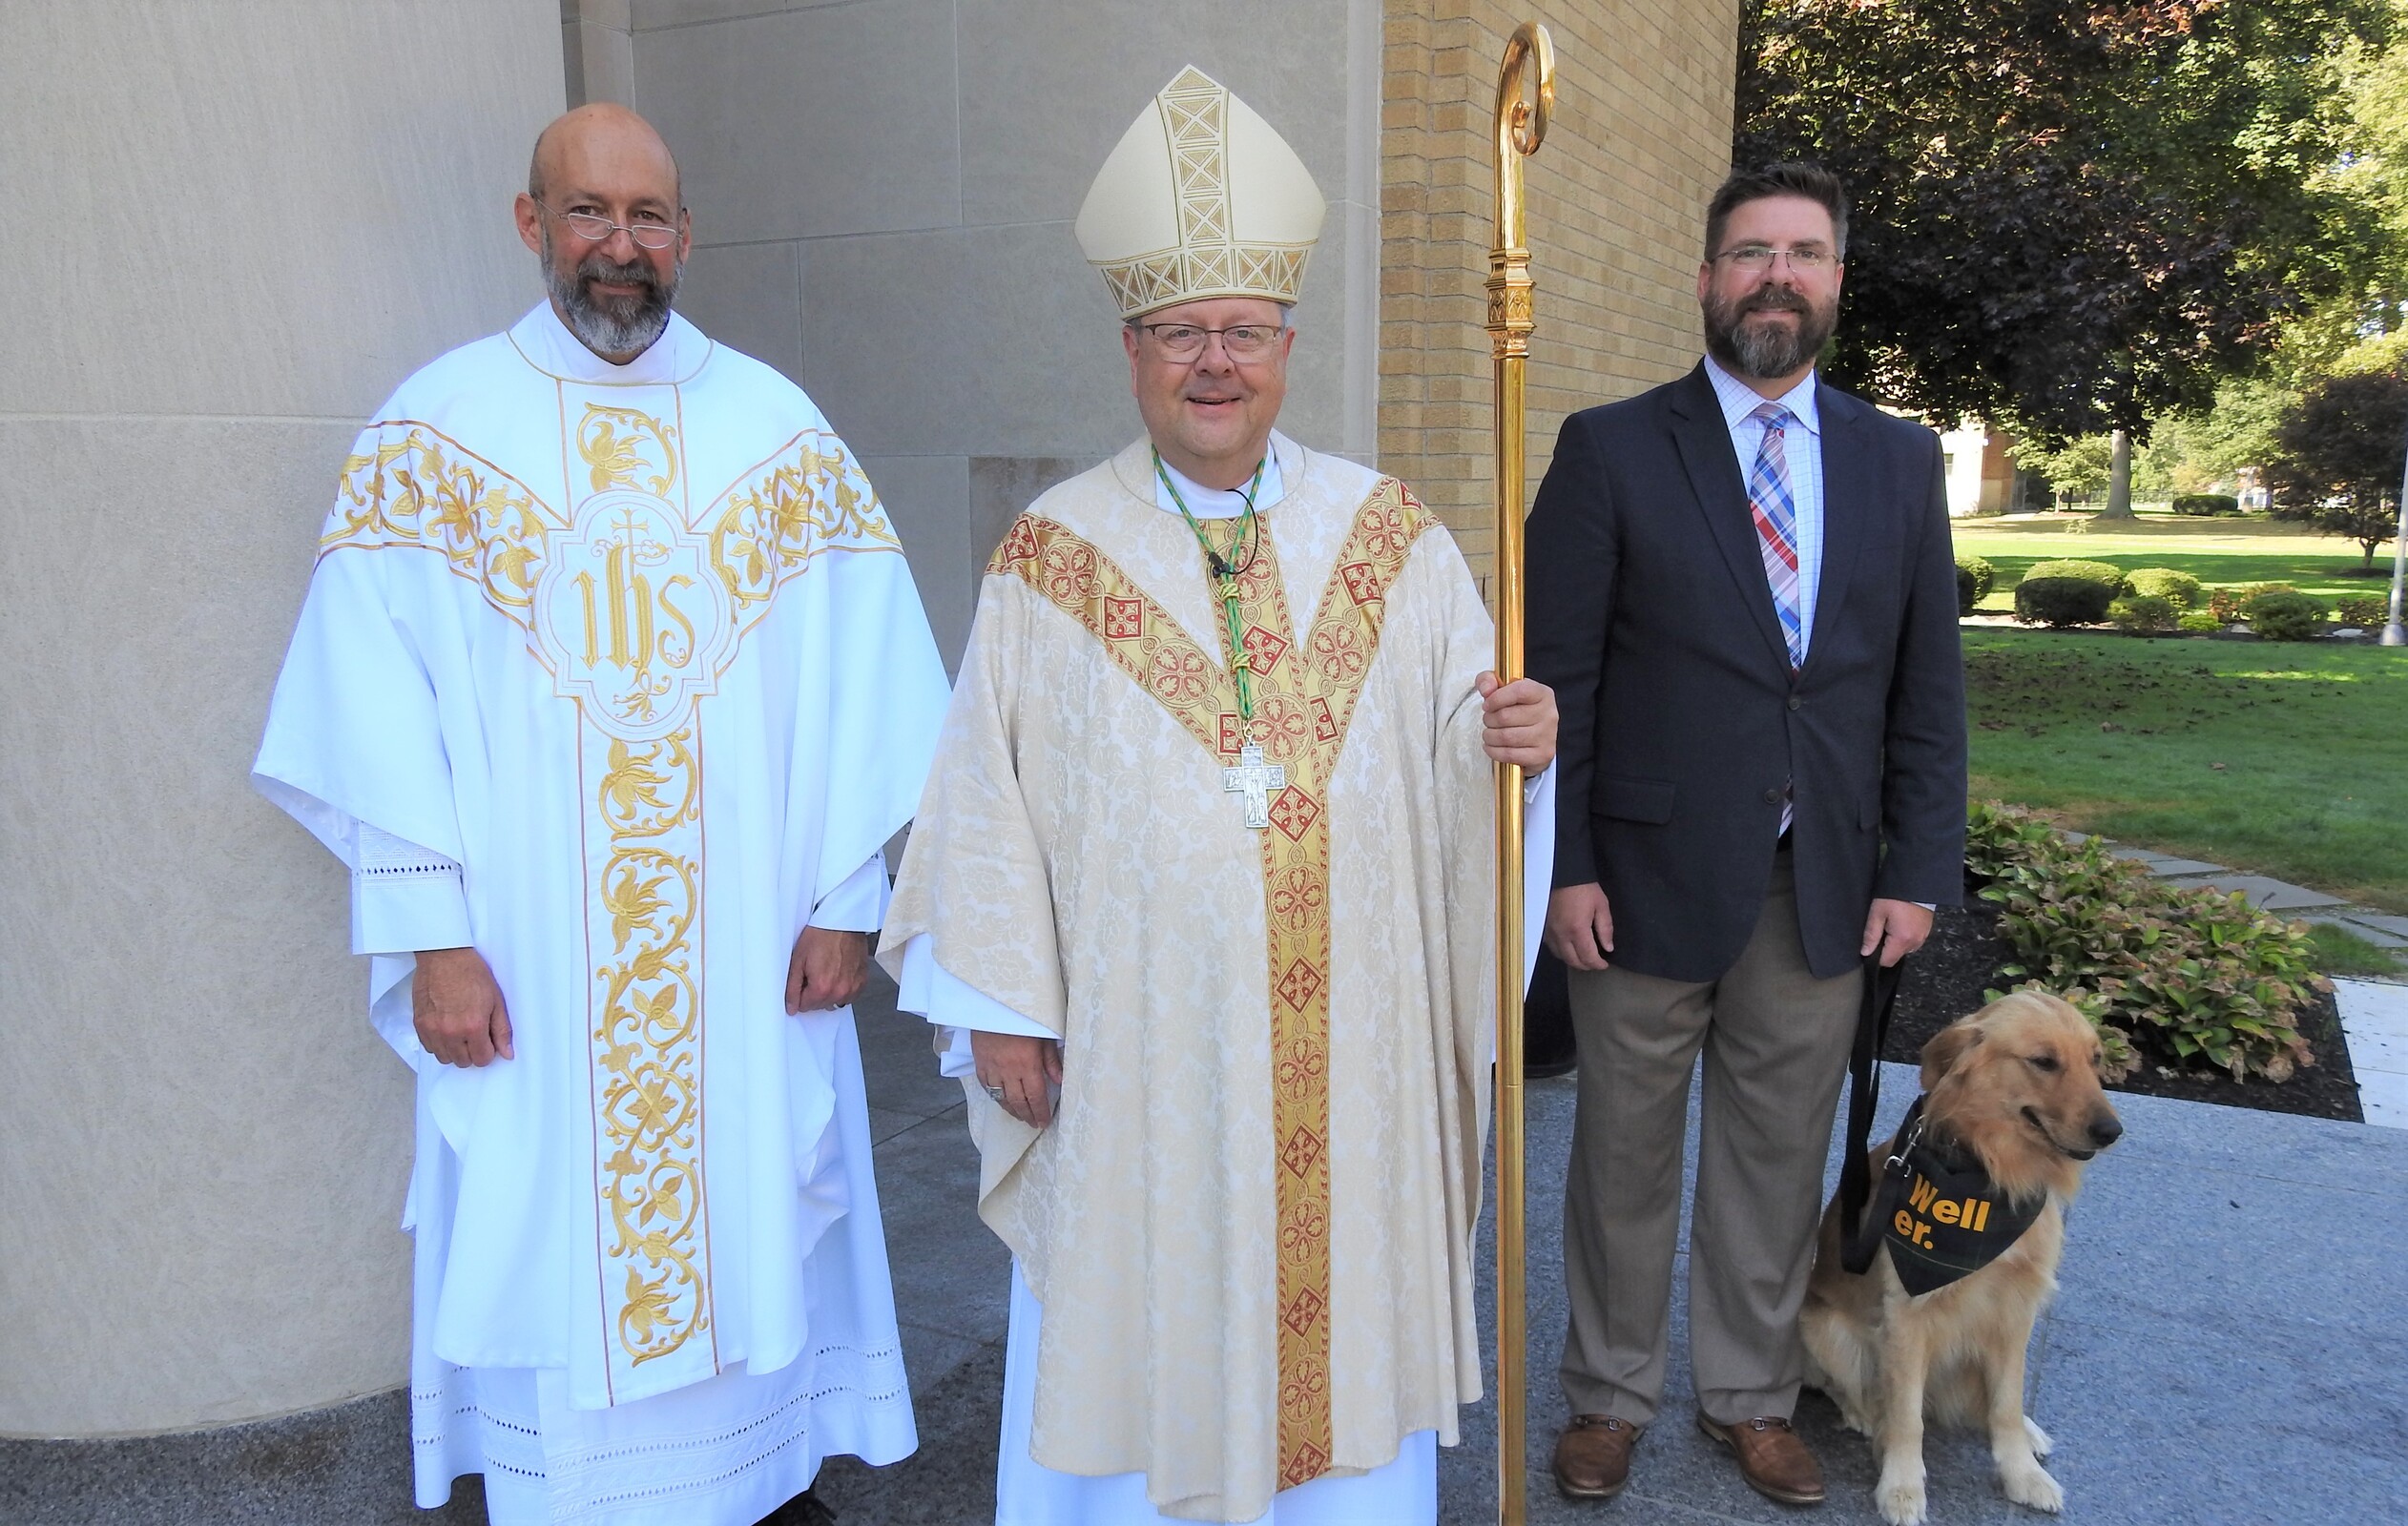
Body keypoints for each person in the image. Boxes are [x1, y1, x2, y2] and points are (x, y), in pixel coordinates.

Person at [878, 67, 1559, 1526]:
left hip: (1349, 1064)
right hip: (1139, 1069)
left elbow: (1463, 770)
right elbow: (983, 794)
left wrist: (1518, 746)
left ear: (1287, 348)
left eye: (1244, 331)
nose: (1214, 362)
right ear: (1131, 349)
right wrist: (999, 1007)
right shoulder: (1050, 556)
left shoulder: (1393, 538)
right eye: (1181, 332)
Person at [252, 104, 951, 1525]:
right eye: (588, 212)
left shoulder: (780, 435)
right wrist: (432, 936)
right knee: (548, 1203)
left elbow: (874, 682)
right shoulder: (433, 436)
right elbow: (372, 712)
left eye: (647, 217)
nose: (618, 246)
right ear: (533, 224)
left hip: (746, 951)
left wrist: (846, 900)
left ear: (686, 234)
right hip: (525, 961)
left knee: (753, 1198)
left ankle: (753, 1481)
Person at [1526, 162, 1967, 1508]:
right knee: (1623, 1154)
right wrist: (1565, 866)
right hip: (1640, 877)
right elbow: (1559, 676)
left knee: (1777, 1156)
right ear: (1708, 278)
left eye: (1805, 254)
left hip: (1820, 878)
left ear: (1835, 280)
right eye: (1752, 253)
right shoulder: (1611, 447)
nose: (1778, 276)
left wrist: (1916, 870)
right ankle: (1608, 1395)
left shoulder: (1898, 460)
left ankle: (1750, 1397)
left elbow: (1925, 687)